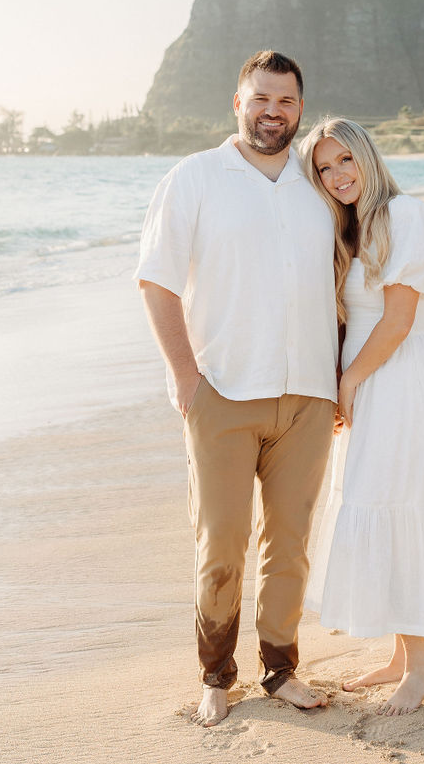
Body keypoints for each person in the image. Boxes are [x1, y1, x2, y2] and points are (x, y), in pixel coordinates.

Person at [135, 51, 338, 727]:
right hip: (220, 393)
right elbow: (156, 281)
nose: (272, 112)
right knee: (220, 543)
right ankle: (216, 675)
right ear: (237, 102)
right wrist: (186, 378)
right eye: (260, 99)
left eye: (284, 101)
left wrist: (339, 376)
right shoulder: (195, 178)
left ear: (300, 109)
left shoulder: (318, 182)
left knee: (291, 541)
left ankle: (281, 669)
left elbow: (349, 274)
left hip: (308, 395)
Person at [299, 117, 424, 715]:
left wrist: (350, 380)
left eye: (345, 161)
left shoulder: (407, 215)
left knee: (397, 499)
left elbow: (399, 318)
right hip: (367, 380)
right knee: (373, 499)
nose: (337, 176)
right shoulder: (347, 228)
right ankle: (407, 654)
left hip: (398, 378)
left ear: (368, 158)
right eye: (324, 168)